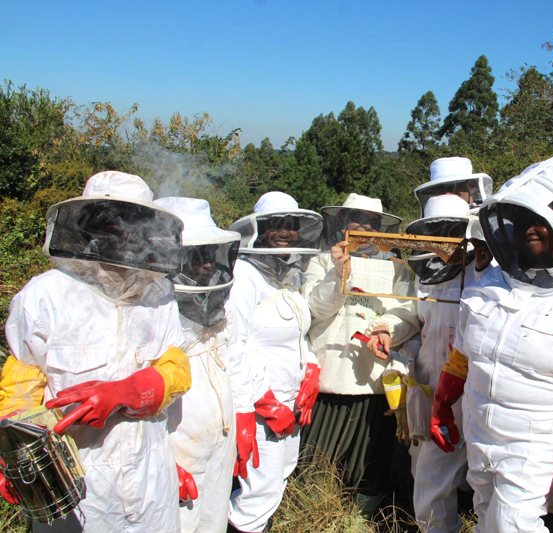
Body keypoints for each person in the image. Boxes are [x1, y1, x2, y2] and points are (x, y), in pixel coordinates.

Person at [430, 154, 553, 532]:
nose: (529, 230)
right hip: (480, 430)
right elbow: (464, 354)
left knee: (513, 525)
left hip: (537, 441)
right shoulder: (491, 282)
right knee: (487, 515)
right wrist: (443, 400)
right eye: (520, 221)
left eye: (540, 220)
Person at [0, 171, 191, 532]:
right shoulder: (43, 297)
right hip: (78, 480)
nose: (123, 232)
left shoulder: (160, 292)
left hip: (151, 476)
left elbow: (178, 367)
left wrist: (130, 391)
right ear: (87, 226)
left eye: (133, 222)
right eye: (110, 222)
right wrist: (12, 455)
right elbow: (20, 386)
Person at [299, 193, 419, 514]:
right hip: (328, 382)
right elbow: (315, 309)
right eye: (358, 219)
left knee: (369, 468)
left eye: (372, 222)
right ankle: (312, 515)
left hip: (375, 384)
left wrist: (386, 329)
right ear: (342, 223)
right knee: (314, 463)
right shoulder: (322, 261)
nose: (365, 226)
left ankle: (358, 520)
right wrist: (338, 273)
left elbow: (408, 311)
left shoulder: (396, 269)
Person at [226, 191, 324, 533]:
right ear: (260, 229)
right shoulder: (243, 275)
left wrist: (310, 368)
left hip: (290, 402)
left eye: (291, 226)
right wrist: (264, 402)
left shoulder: (289, 274)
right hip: (257, 407)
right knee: (258, 490)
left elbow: (297, 334)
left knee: (279, 477)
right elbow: (234, 346)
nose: (285, 232)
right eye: (276, 225)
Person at [154, 197, 240, 532]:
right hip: (176, 442)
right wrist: (159, 461)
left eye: (209, 254)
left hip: (221, 433)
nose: (206, 264)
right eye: (195, 255)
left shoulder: (216, 298)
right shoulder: (148, 311)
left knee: (213, 519)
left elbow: (235, 358)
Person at [396, 193, 480, 533]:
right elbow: (417, 325)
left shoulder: (485, 274)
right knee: (429, 477)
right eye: (437, 229)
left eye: (451, 229)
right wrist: (392, 336)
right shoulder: (422, 275)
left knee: (486, 479)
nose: (444, 237)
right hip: (434, 391)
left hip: (477, 391)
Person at [414, 157, 493, 216]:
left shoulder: (489, 218)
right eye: (440, 188)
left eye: (453, 186)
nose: (447, 193)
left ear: (471, 185)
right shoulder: (432, 214)